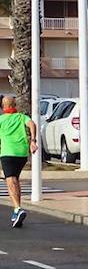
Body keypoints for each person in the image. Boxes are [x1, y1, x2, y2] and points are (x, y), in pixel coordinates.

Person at [0, 95, 38, 228]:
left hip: (8, 152)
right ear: (14, 105)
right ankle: (17, 210)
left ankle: (17, 209)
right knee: (15, 179)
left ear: (4, 107)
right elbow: (32, 124)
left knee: (10, 180)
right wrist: (33, 141)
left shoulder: (1, 119)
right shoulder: (21, 117)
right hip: (22, 153)